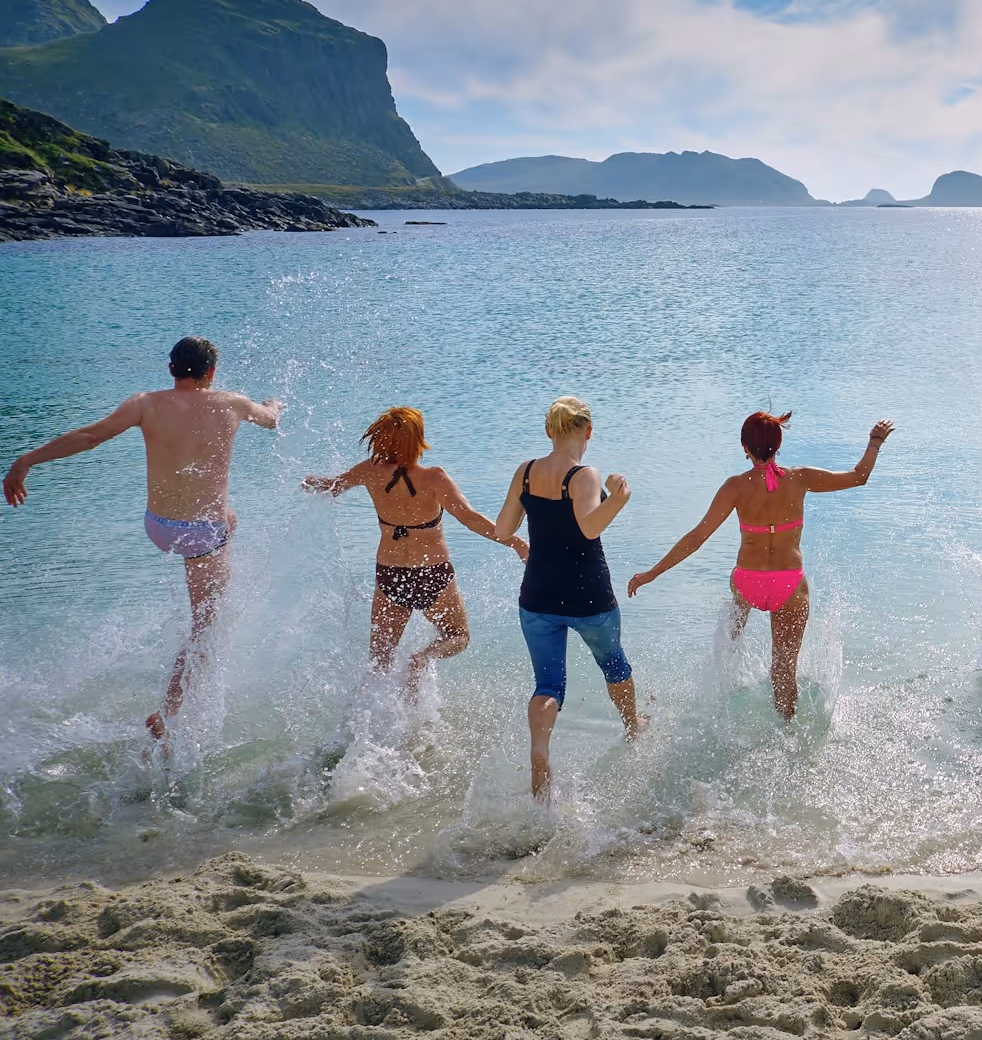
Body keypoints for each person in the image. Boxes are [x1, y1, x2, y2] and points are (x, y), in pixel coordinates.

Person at [4, 337, 282, 738]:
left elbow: (89, 437)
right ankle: (168, 712)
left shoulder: (144, 403)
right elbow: (270, 420)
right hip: (202, 534)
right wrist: (275, 404)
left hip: (159, 527)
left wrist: (26, 459)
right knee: (208, 624)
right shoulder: (233, 403)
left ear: (171, 369)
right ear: (212, 372)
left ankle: (218, 561)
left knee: (229, 519)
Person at [628, 412, 894, 719]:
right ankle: (787, 734)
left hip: (747, 583)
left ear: (745, 447)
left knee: (731, 630)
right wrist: (875, 442)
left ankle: (725, 683)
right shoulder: (800, 478)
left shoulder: (735, 487)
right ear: (779, 444)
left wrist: (651, 574)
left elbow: (697, 538)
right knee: (783, 669)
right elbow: (858, 476)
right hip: (789, 587)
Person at [302, 407, 529, 703]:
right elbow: (470, 518)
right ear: (417, 440)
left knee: (379, 662)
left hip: (390, 575)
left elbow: (331, 488)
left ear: (381, 439)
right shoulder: (434, 478)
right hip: (432, 573)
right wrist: (516, 543)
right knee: (457, 636)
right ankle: (422, 658)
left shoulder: (369, 470)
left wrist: (312, 482)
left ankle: (361, 724)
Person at [492, 397, 644, 799]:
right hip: (588, 596)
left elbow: (503, 529)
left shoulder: (525, 472)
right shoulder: (585, 475)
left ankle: (540, 751)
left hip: (538, 594)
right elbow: (590, 528)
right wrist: (619, 498)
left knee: (547, 685)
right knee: (614, 664)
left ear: (548, 431)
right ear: (588, 431)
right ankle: (633, 726)